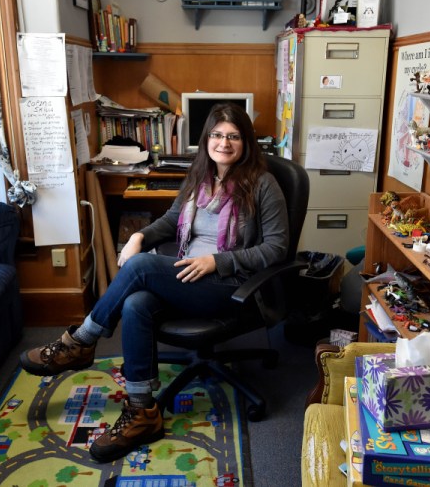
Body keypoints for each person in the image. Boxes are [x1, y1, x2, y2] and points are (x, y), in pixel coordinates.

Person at [19, 102, 290, 463]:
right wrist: (138, 237)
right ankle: (142, 411)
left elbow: (276, 248)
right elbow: (172, 219)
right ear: (207, 138)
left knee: (142, 268)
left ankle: (80, 341)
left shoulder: (262, 184)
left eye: (234, 136)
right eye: (217, 135)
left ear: (246, 142)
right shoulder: (201, 176)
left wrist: (217, 261)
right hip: (188, 276)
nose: (224, 143)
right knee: (136, 303)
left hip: (231, 285)